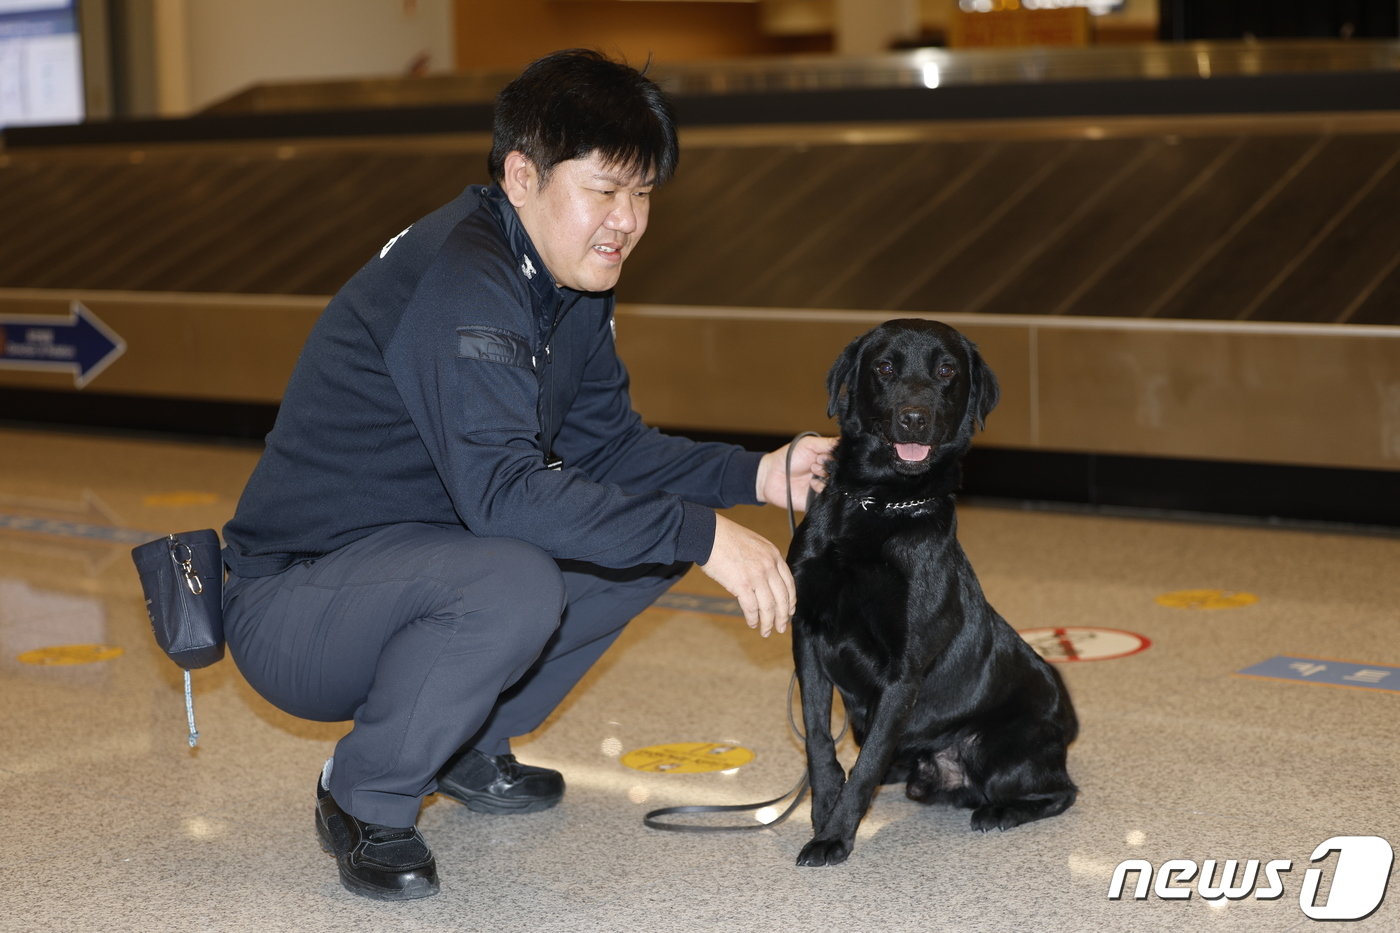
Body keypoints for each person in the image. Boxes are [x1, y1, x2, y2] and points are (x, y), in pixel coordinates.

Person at [220, 48, 833, 902]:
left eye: (644, 193)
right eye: (604, 190)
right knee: (515, 578)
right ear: (521, 175)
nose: (627, 219)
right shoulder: (463, 281)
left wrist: (758, 475)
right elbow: (504, 493)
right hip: (294, 600)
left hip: (410, 563)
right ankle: (363, 794)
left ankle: (462, 742)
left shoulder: (567, 283)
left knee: (636, 536)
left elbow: (610, 448)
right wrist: (703, 535)